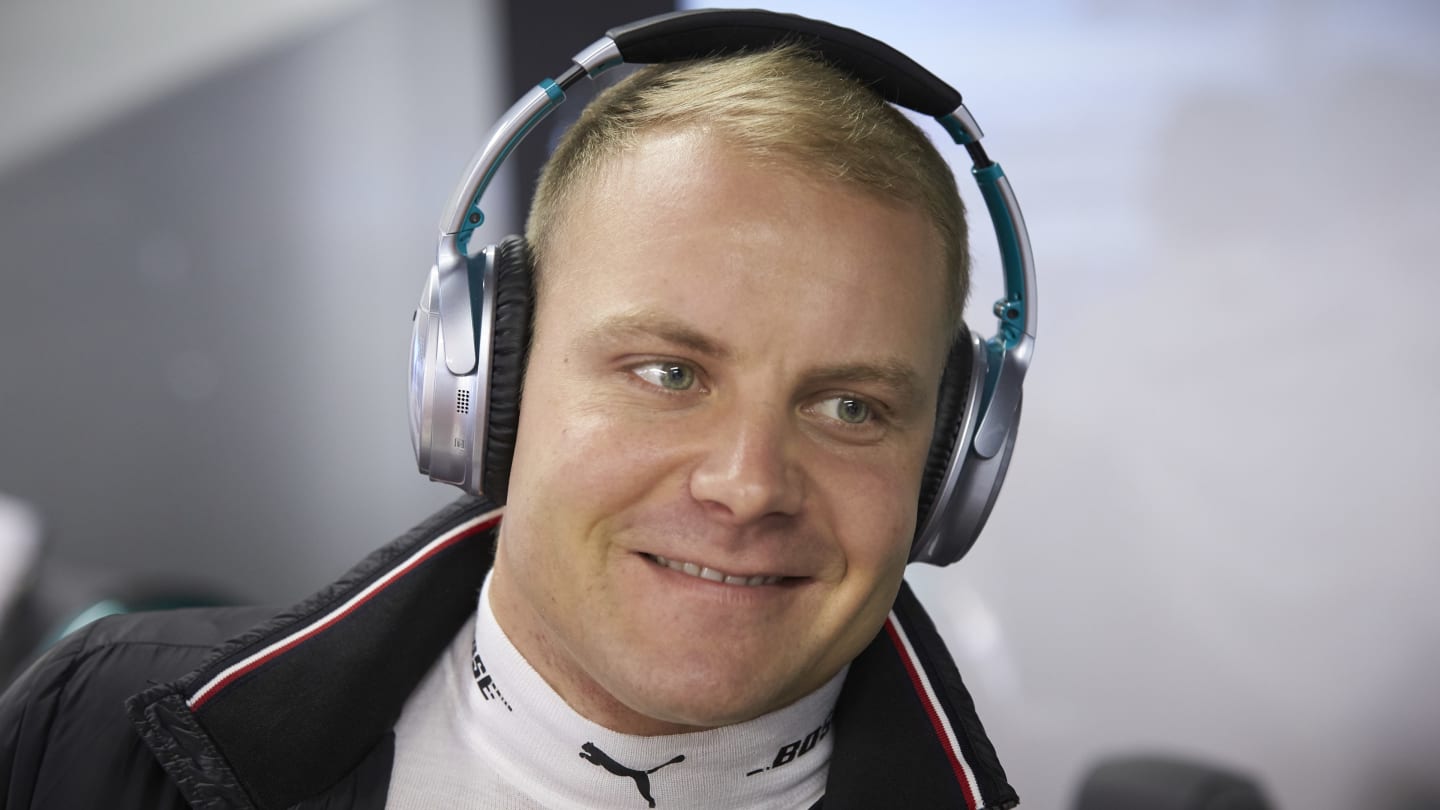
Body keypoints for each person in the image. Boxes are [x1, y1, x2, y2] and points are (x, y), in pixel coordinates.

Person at [0, 32, 1020, 810]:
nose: (748, 485)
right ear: (488, 383)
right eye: (669, 371)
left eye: (852, 406)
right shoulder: (88, 731)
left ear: (948, 464)